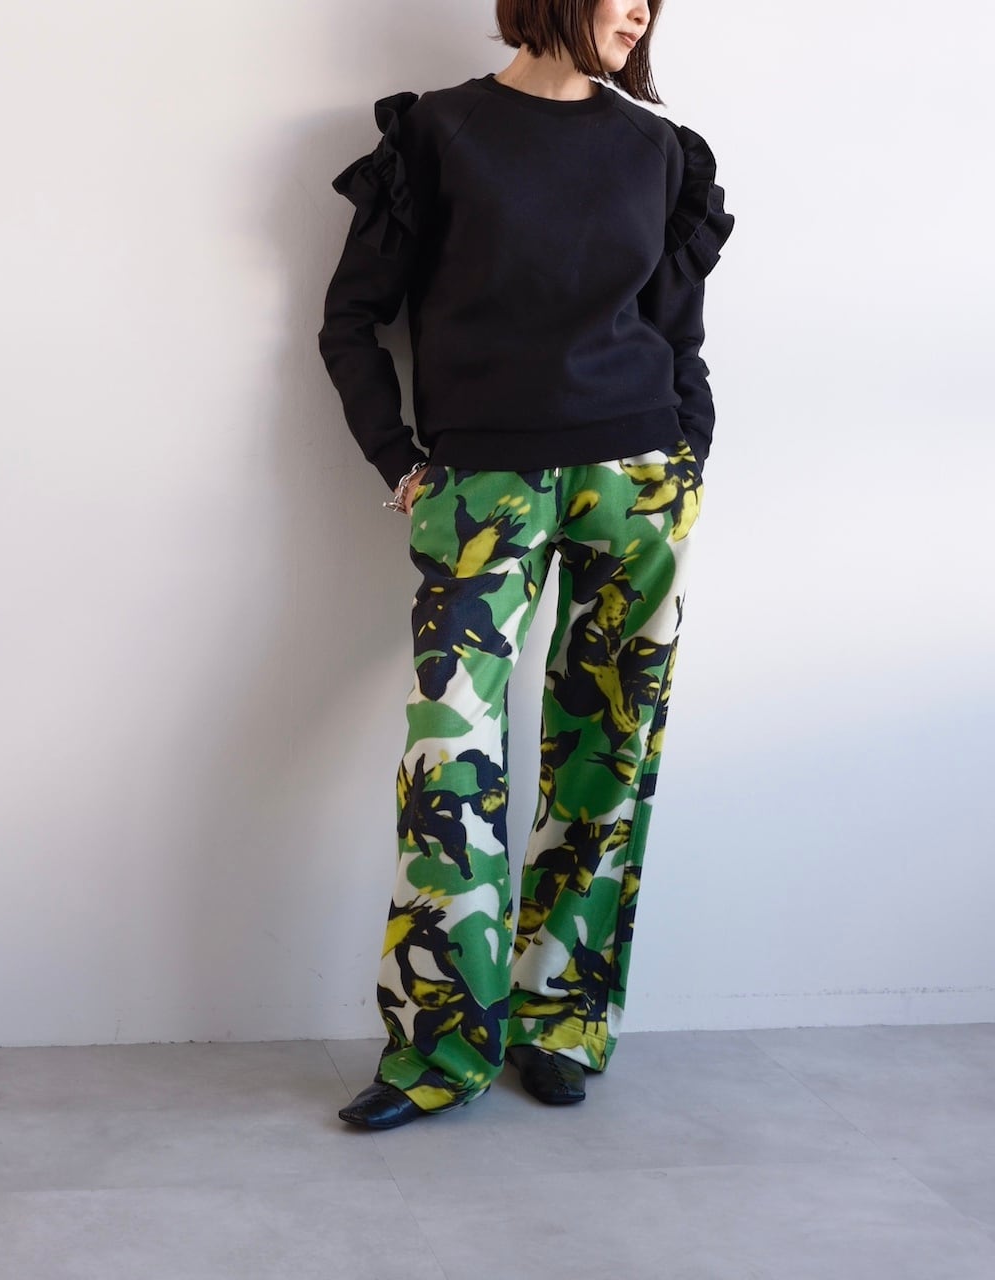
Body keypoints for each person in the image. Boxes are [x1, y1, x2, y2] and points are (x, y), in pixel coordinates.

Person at [317, 0, 735, 1130]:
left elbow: (678, 332)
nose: (642, 8)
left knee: (608, 751)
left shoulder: (660, 151)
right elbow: (351, 320)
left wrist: (687, 456)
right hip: (481, 489)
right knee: (448, 753)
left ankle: (560, 1017)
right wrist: (399, 462)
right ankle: (439, 1049)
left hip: (637, 482)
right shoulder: (439, 135)